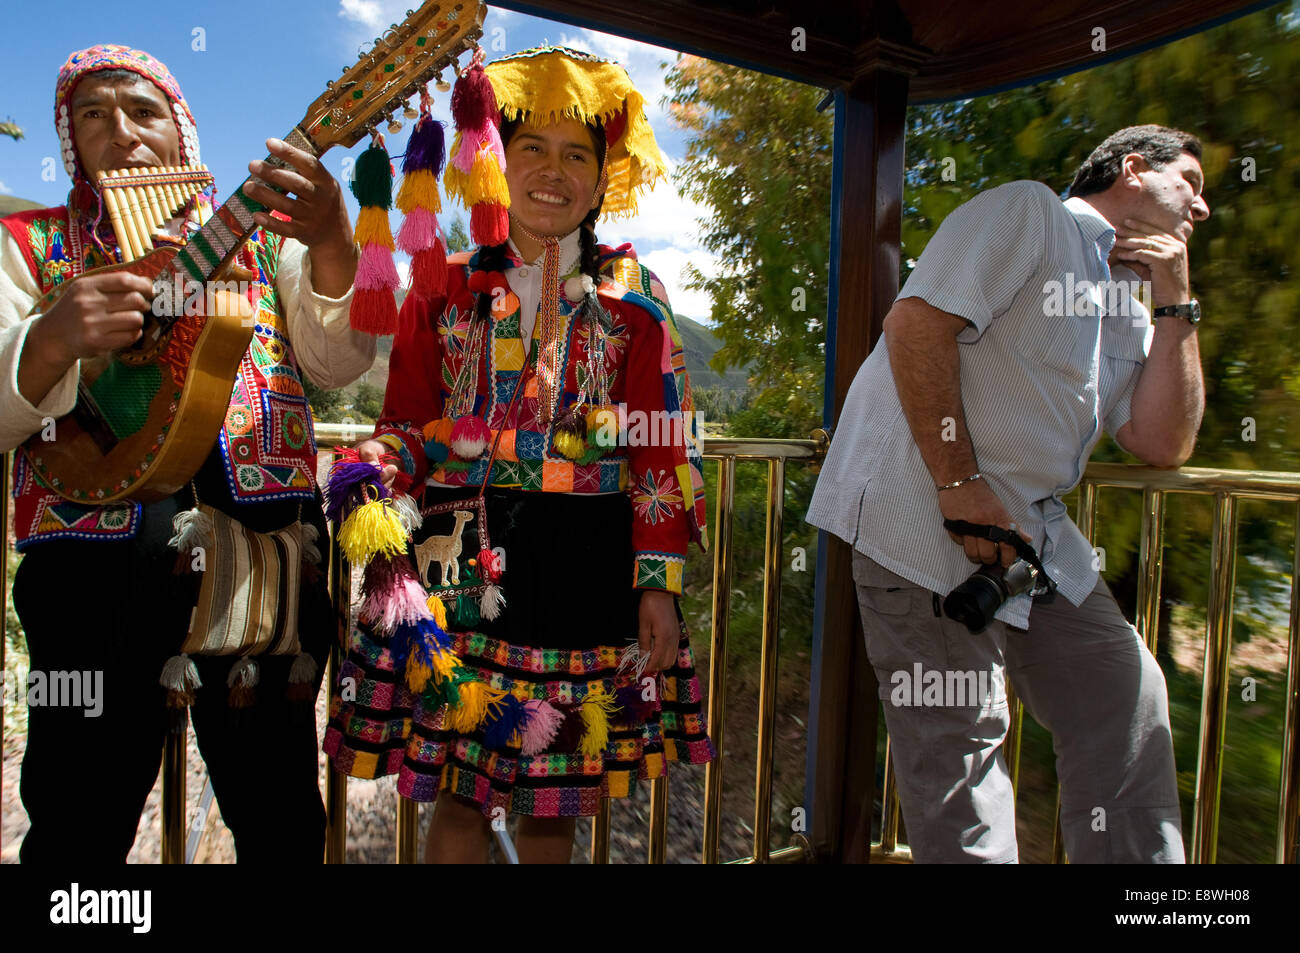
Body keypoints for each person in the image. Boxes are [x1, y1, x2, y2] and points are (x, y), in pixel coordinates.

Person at [323, 46, 714, 864]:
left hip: (587, 566)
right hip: (461, 561)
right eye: (529, 146)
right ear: (493, 163)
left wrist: (658, 581)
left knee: (551, 803)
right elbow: (407, 425)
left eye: (577, 154)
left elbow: (657, 451)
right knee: (462, 795)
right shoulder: (441, 284)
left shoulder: (636, 303)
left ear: (603, 178)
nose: (552, 170)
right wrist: (373, 468)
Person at [0, 45, 375, 862]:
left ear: (183, 132)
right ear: (69, 141)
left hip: (265, 567)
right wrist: (52, 338)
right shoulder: (27, 245)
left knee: (279, 811)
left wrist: (334, 239)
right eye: (92, 116)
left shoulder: (265, 239)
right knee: (77, 818)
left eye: (143, 110)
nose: (121, 133)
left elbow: (342, 361)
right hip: (90, 574)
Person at [807, 124, 1210, 863]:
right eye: (1190, 180)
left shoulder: (1130, 296)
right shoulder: (1031, 213)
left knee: (1126, 700)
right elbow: (916, 325)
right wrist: (960, 482)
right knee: (961, 764)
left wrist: (1177, 302)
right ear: (1131, 170)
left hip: (1030, 538)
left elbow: (1162, 443)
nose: (1203, 205)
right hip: (921, 519)